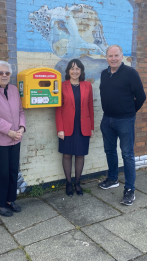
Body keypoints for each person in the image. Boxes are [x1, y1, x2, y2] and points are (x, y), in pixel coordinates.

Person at [98, 45, 146, 206]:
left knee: (127, 154)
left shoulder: (130, 73)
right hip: (107, 119)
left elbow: (141, 96)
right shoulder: (104, 74)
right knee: (110, 150)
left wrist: (130, 112)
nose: (113, 58)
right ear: (106, 57)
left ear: (122, 56)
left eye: (116, 55)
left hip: (125, 120)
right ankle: (112, 179)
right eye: (110, 56)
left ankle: (130, 189)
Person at [0, 61, 25, 217]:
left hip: (16, 138)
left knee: (13, 170)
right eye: (1, 73)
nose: (4, 76)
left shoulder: (14, 90)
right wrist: (9, 131)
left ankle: (10, 200)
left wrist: (21, 128)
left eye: (7, 73)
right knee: (2, 172)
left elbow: (21, 111)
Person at [55, 59, 94, 196]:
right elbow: (58, 109)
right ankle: (68, 183)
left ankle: (77, 183)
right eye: (72, 68)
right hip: (66, 127)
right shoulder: (62, 85)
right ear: (68, 71)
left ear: (81, 71)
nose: (75, 71)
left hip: (83, 126)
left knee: (80, 154)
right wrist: (60, 128)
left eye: (77, 68)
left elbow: (90, 107)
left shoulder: (87, 85)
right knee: (67, 154)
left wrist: (91, 127)